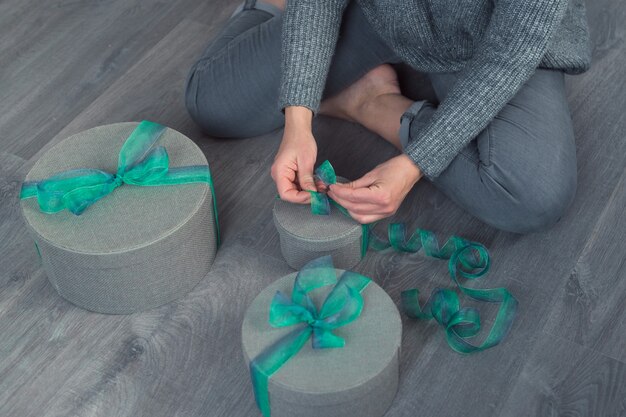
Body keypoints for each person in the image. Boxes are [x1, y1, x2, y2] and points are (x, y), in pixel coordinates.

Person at [184, 0, 591, 233]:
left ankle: (369, 101)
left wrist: (415, 161)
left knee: (532, 196)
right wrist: (298, 118)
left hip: (495, 43)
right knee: (214, 104)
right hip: (380, 14)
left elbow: (509, 55)